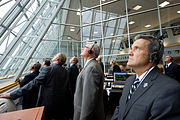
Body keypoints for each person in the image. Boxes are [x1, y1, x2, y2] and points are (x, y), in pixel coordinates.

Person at [111, 35, 180, 120]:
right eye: (131, 48)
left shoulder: (169, 89)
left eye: (136, 48)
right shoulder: (129, 81)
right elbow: (120, 109)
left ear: (152, 57)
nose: (129, 53)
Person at [0, 53, 69, 120]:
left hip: (48, 104)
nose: (53, 56)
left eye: (55, 56)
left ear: (56, 59)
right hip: (61, 103)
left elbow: (33, 83)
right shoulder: (66, 71)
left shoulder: (48, 69)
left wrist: (12, 95)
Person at [73, 42, 105, 120]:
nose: (82, 48)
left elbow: (89, 99)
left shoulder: (92, 68)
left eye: (85, 47)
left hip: (85, 115)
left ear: (91, 51)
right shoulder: (90, 66)